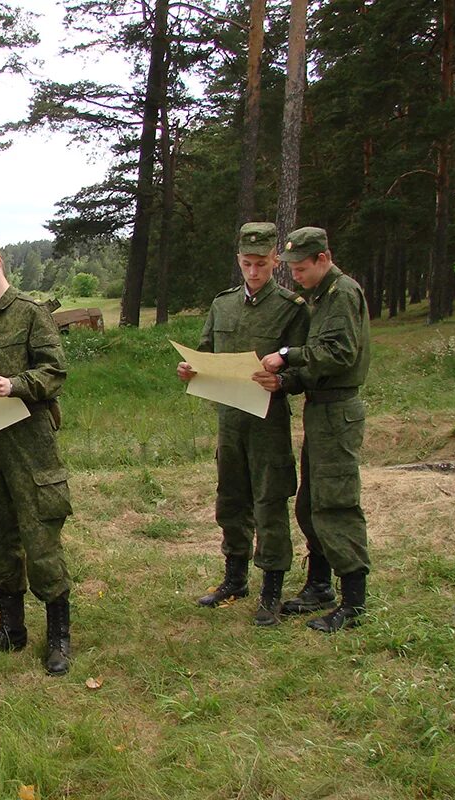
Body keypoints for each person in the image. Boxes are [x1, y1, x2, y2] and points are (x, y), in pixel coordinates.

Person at [178, 222, 309, 625]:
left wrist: (283, 380)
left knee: (269, 501)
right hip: (230, 420)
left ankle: (271, 588)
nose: (254, 272)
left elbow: (307, 366)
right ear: (238, 262)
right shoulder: (224, 305)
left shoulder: (291, 308)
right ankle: (234, 578)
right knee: (231, 499)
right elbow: (205, 352)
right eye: (247, 264)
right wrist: (191, 370)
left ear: (275, 262)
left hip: (268, 421)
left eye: (262, 264)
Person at [0, 236, 74, 676]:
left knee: (41, 540)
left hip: (30, 445)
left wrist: (16, 384)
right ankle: (11, 630)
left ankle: (59, 636)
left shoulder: (30, 312)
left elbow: (55, 371)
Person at [259, 226, 372, 633]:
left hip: (338, 412)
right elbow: (317, 365)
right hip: (320, 411)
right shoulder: (321, 297)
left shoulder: (342, 293)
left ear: (324, 258)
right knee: (310, 503)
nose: (295, 277)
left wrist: (287, 356)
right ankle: (320, 586)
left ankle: (354, 603)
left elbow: (339, 354)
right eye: (290, 269)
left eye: (302, 268)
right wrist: (286, 382)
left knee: (335, 503)